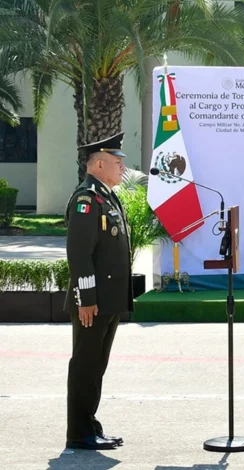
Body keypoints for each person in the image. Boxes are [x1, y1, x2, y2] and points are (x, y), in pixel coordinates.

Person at [63, 132, 133, 450]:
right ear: (99, 164)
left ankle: (89, 425)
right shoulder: (87, 200)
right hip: (94, 302)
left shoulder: (107, 196)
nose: (122, 168)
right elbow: (80, 255)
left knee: (96, 366)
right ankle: (79, 432)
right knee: (86, 365)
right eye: (117, 162)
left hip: (109, 300)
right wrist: (87, 299)